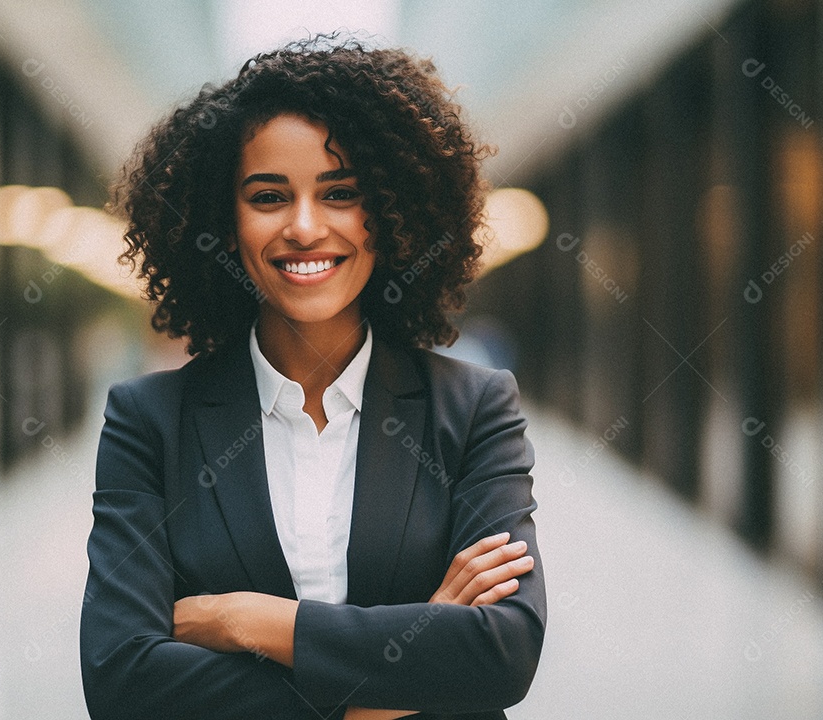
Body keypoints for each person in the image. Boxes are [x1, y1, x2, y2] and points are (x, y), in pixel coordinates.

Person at [79, 31, 546, 720]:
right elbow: (122, 682)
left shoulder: (473, 408)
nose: (304, 227)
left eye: (341, 193)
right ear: (223, 217)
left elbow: (502, 654)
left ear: (390, 212)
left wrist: (247, 621)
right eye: (269, 196)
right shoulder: (150, 420)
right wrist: (402, 670)